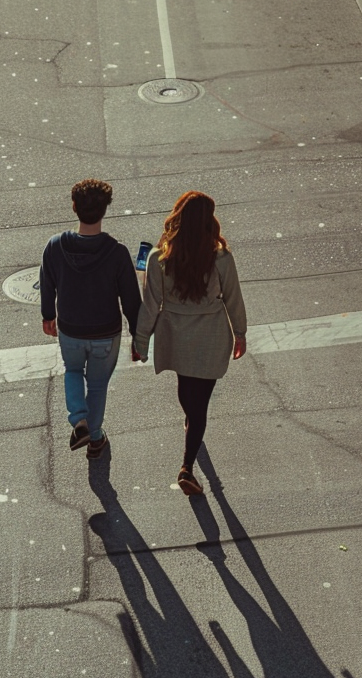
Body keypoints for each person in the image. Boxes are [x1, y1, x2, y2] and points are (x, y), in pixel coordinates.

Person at [132, 191, 248, 496]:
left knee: (188, 396)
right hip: (211, 336)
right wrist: (240, 333)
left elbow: (150, 304)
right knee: (200, 406)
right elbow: (234, 297)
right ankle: (186, 467)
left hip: (176, 336)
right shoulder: (221, 258)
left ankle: (190, 433)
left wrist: (141, 341)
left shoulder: (161, 259)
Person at [40, 179, 141, 460]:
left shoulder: (56, 246)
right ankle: (95, 438)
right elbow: (131, 300)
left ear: (74, 207)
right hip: (105, 333)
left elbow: (47, 283)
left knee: (72, 372)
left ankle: (79, 420)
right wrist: (139, 336)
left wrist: (48, 314)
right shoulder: (117, 253)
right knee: (97, 386)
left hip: (70, 329)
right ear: (105, 211)